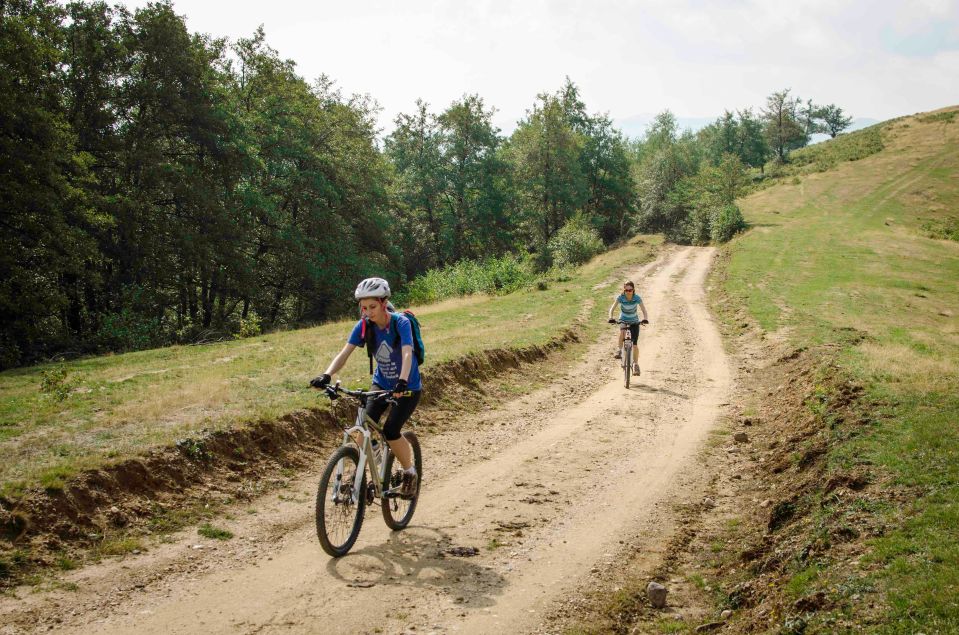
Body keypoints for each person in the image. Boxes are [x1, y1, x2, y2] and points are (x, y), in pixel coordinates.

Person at [310, 277, 421, 497]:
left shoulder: (400, 323)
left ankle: (410, 472)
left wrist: (402, 381)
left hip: (408, 386)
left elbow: (407, 353)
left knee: (391, 431)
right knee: (362, 427)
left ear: (383, 303)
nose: (368, 312)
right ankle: (358, 475)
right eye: (363, 307)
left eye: (372, 307)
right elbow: (345, 353)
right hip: (381, 383)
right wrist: (326, 375)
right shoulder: (363, 326)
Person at [607, 280, 649, 374]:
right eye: (626, 290)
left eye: (630, 290)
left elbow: (644, 310)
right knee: (622, 331)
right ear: (624, 290)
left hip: (634, 321)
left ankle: (636, 365)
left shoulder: (637, 298)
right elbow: (612, 309)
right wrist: (611, 317)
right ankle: (619, 350)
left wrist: (645, 319)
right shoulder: (620, 297)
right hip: (623, 319)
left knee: (635, 344)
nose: (628, 292)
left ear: (633, 290)